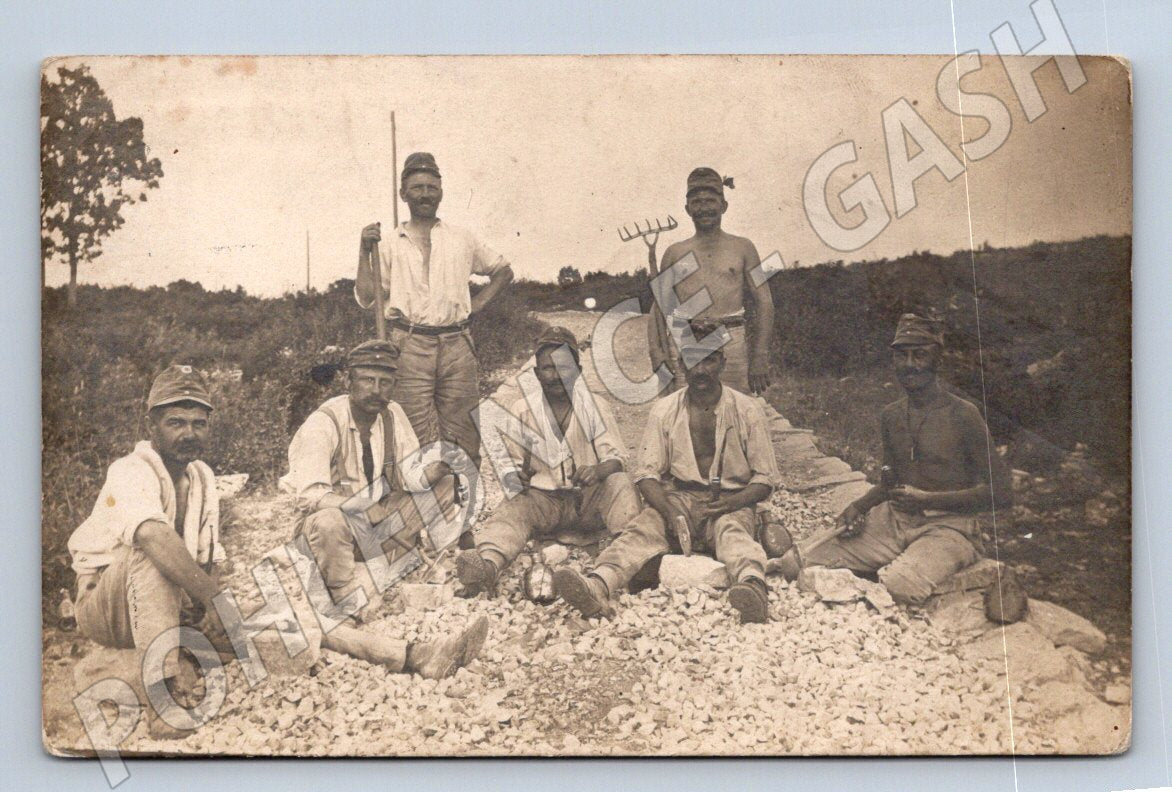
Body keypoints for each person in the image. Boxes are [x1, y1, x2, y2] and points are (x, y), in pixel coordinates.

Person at [280, 339, 487, 677]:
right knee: (328, 520)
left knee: (447, 485)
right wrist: (361, 508)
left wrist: (436, 470)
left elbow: (408, 473)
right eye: (368, 380)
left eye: (385, 382)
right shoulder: (323, 424)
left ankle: (391, 562)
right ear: (350, 381)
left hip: (377, 525)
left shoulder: (392, 415)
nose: (376, 390)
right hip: (335, 528)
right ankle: (346, 595)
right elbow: (309, 495)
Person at [555, 320, 780, 624]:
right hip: (680, 496)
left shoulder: (746, 410)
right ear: (680, 363)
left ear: (722, 363)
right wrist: (669, 509)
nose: (700, 370)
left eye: (709, 360)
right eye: (691, 360)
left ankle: (753, 588)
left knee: (734, 535)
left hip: (730, 499)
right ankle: (598, 584)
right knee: (641, 530)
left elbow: (765, 479)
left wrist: (731, 503)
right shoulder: (664, 410)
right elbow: (646, 474)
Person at [800, 314, 1015, 608]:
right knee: (807, 557)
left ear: (937, 360)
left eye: (920, 355)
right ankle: (885, 564)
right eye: (902, 356)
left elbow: (1001, 493)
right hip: (896, 520)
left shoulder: (964, 415)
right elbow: (891, 481)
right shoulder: (892, 415)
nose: (910, 365)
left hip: (948, 527)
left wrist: (928, 499)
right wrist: (859, 507)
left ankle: (906, 569)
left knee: (899, 585)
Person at [68, 365, 233, 738]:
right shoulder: (130, 469)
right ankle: (161, 699)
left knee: (256, 620)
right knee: (152, 550)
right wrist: (215, 599)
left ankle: (383, 652)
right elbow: (153, 538)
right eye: (176, 422)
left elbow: (210, 556)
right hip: (105, 608)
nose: (189, 433)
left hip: (164, 606)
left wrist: (209, 609)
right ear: (151, 426)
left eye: (198, 423)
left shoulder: (203, 476)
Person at [355, 152, 514, 476]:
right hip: (409, 344)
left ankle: (462, 516)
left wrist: (478, 305)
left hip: (457, 345)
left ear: (440, 191)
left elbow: (503, 270)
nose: (425, 194)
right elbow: (368, 297)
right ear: (403, 194)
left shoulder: (461, 238)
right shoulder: (387, 243)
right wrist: (363, 248)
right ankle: (421, 515)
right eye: (417, 188)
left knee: (463, 432)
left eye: (431, 187)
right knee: (413, 434)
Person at [455, 327, 642, 594]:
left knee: (621, 484)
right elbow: (510, 463)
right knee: (512, 506)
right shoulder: (522, 409)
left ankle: (628, 565)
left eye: (563, 369)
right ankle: (486, 566)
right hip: (546, 502)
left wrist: (599, 470)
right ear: (536, 373)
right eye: (547, 369)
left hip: (588, 503)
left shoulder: (595, 405)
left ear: (578, 370)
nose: (555, 377)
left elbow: (618, 458)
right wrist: (512, 475)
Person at [649, 167, 775, 394]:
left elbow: (764, 301)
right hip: (685, 341)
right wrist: (657, 353)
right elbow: (658, 307)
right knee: (680, 412)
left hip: (731, 341)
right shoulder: (674, 252)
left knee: (736, 409)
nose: (704, 208)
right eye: (697, 202)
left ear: (723, 206)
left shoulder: (744, 248)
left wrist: (760, 355)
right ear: (687, 209)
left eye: (710, 200)